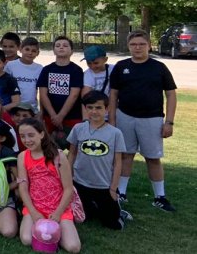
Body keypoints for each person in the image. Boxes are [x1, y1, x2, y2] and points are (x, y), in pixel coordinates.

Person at [109, 31, 177, 211]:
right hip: (125, 116)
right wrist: (113, 121)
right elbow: (113, 94)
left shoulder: (159, 67)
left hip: (152, 118)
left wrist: (169, 122)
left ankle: (160, 196)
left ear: (149, 46)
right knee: (125, 156)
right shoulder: (121, 66)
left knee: (153, 158)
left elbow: (170, 94)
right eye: (133, 44)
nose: (137, 47)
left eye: (141, 44)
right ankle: (121, 193)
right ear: (129, 46)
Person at [17, 118, 82, 253]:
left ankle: (54, 233)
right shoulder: (23, 157)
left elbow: (68, 189)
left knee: (73, 247)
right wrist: (33, 212)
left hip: (59, 208)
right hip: (35, 208)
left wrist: (58, 213)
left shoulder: (58, 156)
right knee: (26, 239)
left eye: (31, 135)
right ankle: (49, 233)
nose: (26, 140)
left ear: (41, 134)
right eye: (22, 136)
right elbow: (23, 188)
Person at [68, 91, 127, 229]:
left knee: (113, 225)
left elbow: (118, 162)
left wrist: (113, 188)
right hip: (80, 182)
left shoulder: (115, 133)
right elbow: (71, 154)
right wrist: (69, 178)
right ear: (85, 109)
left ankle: (119, 211)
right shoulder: (78, 128)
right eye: (90, 107)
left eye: (98, 108)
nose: (94, 111)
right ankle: (92, 206)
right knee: (81, 218)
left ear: (106, 109)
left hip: (103, 185)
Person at [37, 36, 84, 146]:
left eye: (65, 45)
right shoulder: (47, 70)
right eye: (58, 46)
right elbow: (43, 94)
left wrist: (61, 116)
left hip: (72, 116)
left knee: (74, 148)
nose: (61, 47)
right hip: (50, 117)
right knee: (48, 147)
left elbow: (74, 94)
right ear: (53, 50)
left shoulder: (76, 70)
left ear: (72, 51)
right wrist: (54, 116)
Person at [4, 36, 42, 111]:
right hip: (13, 107)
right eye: (27, 49)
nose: (30, 53)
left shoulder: (40, 68)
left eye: (34, 51)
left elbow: (42, 91)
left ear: (38, 53)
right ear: (21, 49)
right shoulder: (11, 65)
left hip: (31, 108)